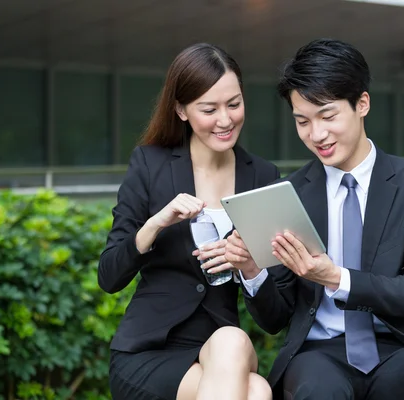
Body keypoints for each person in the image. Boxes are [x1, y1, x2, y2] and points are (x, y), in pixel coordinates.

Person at [225, 38, 404, 400]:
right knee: (317, 389)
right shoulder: (290, 194)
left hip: (398, 346)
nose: (316, 135)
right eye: (302, 121)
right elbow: (275, 319)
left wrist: (335, 278)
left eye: (327, 116)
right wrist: (252, 270)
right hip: (319, 353)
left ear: (362, 104)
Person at [98, 43, 277, 400]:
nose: (225, 120)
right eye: (209, 109)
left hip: (221, 351)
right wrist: (155, 224)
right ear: (181, 110)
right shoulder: (150, 164)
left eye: (235, 104)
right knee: (255, 390)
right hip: (147, 352)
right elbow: (109, 276)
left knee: (233, 343)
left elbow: (275, 318)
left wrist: (251, 267)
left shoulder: (262, 176)